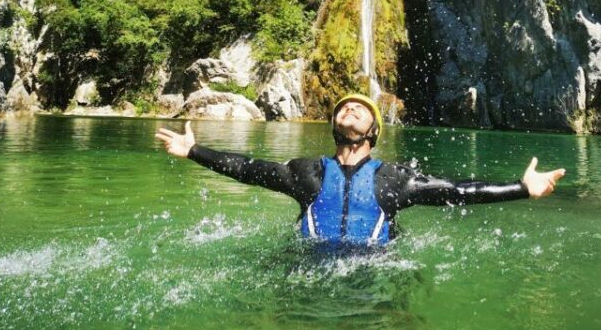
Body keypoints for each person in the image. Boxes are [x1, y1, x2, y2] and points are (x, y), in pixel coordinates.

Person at [156, 93, 566, 246]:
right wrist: (195, 151)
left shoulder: (396, 179)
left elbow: (459, 190)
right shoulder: (306, 173)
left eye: (361, 109)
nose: (350, 108)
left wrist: (521, 187)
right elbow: (248, 168)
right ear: (335, 126)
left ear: (373, 131)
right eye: (344, 108)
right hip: (306, 268)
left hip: (374, 273)